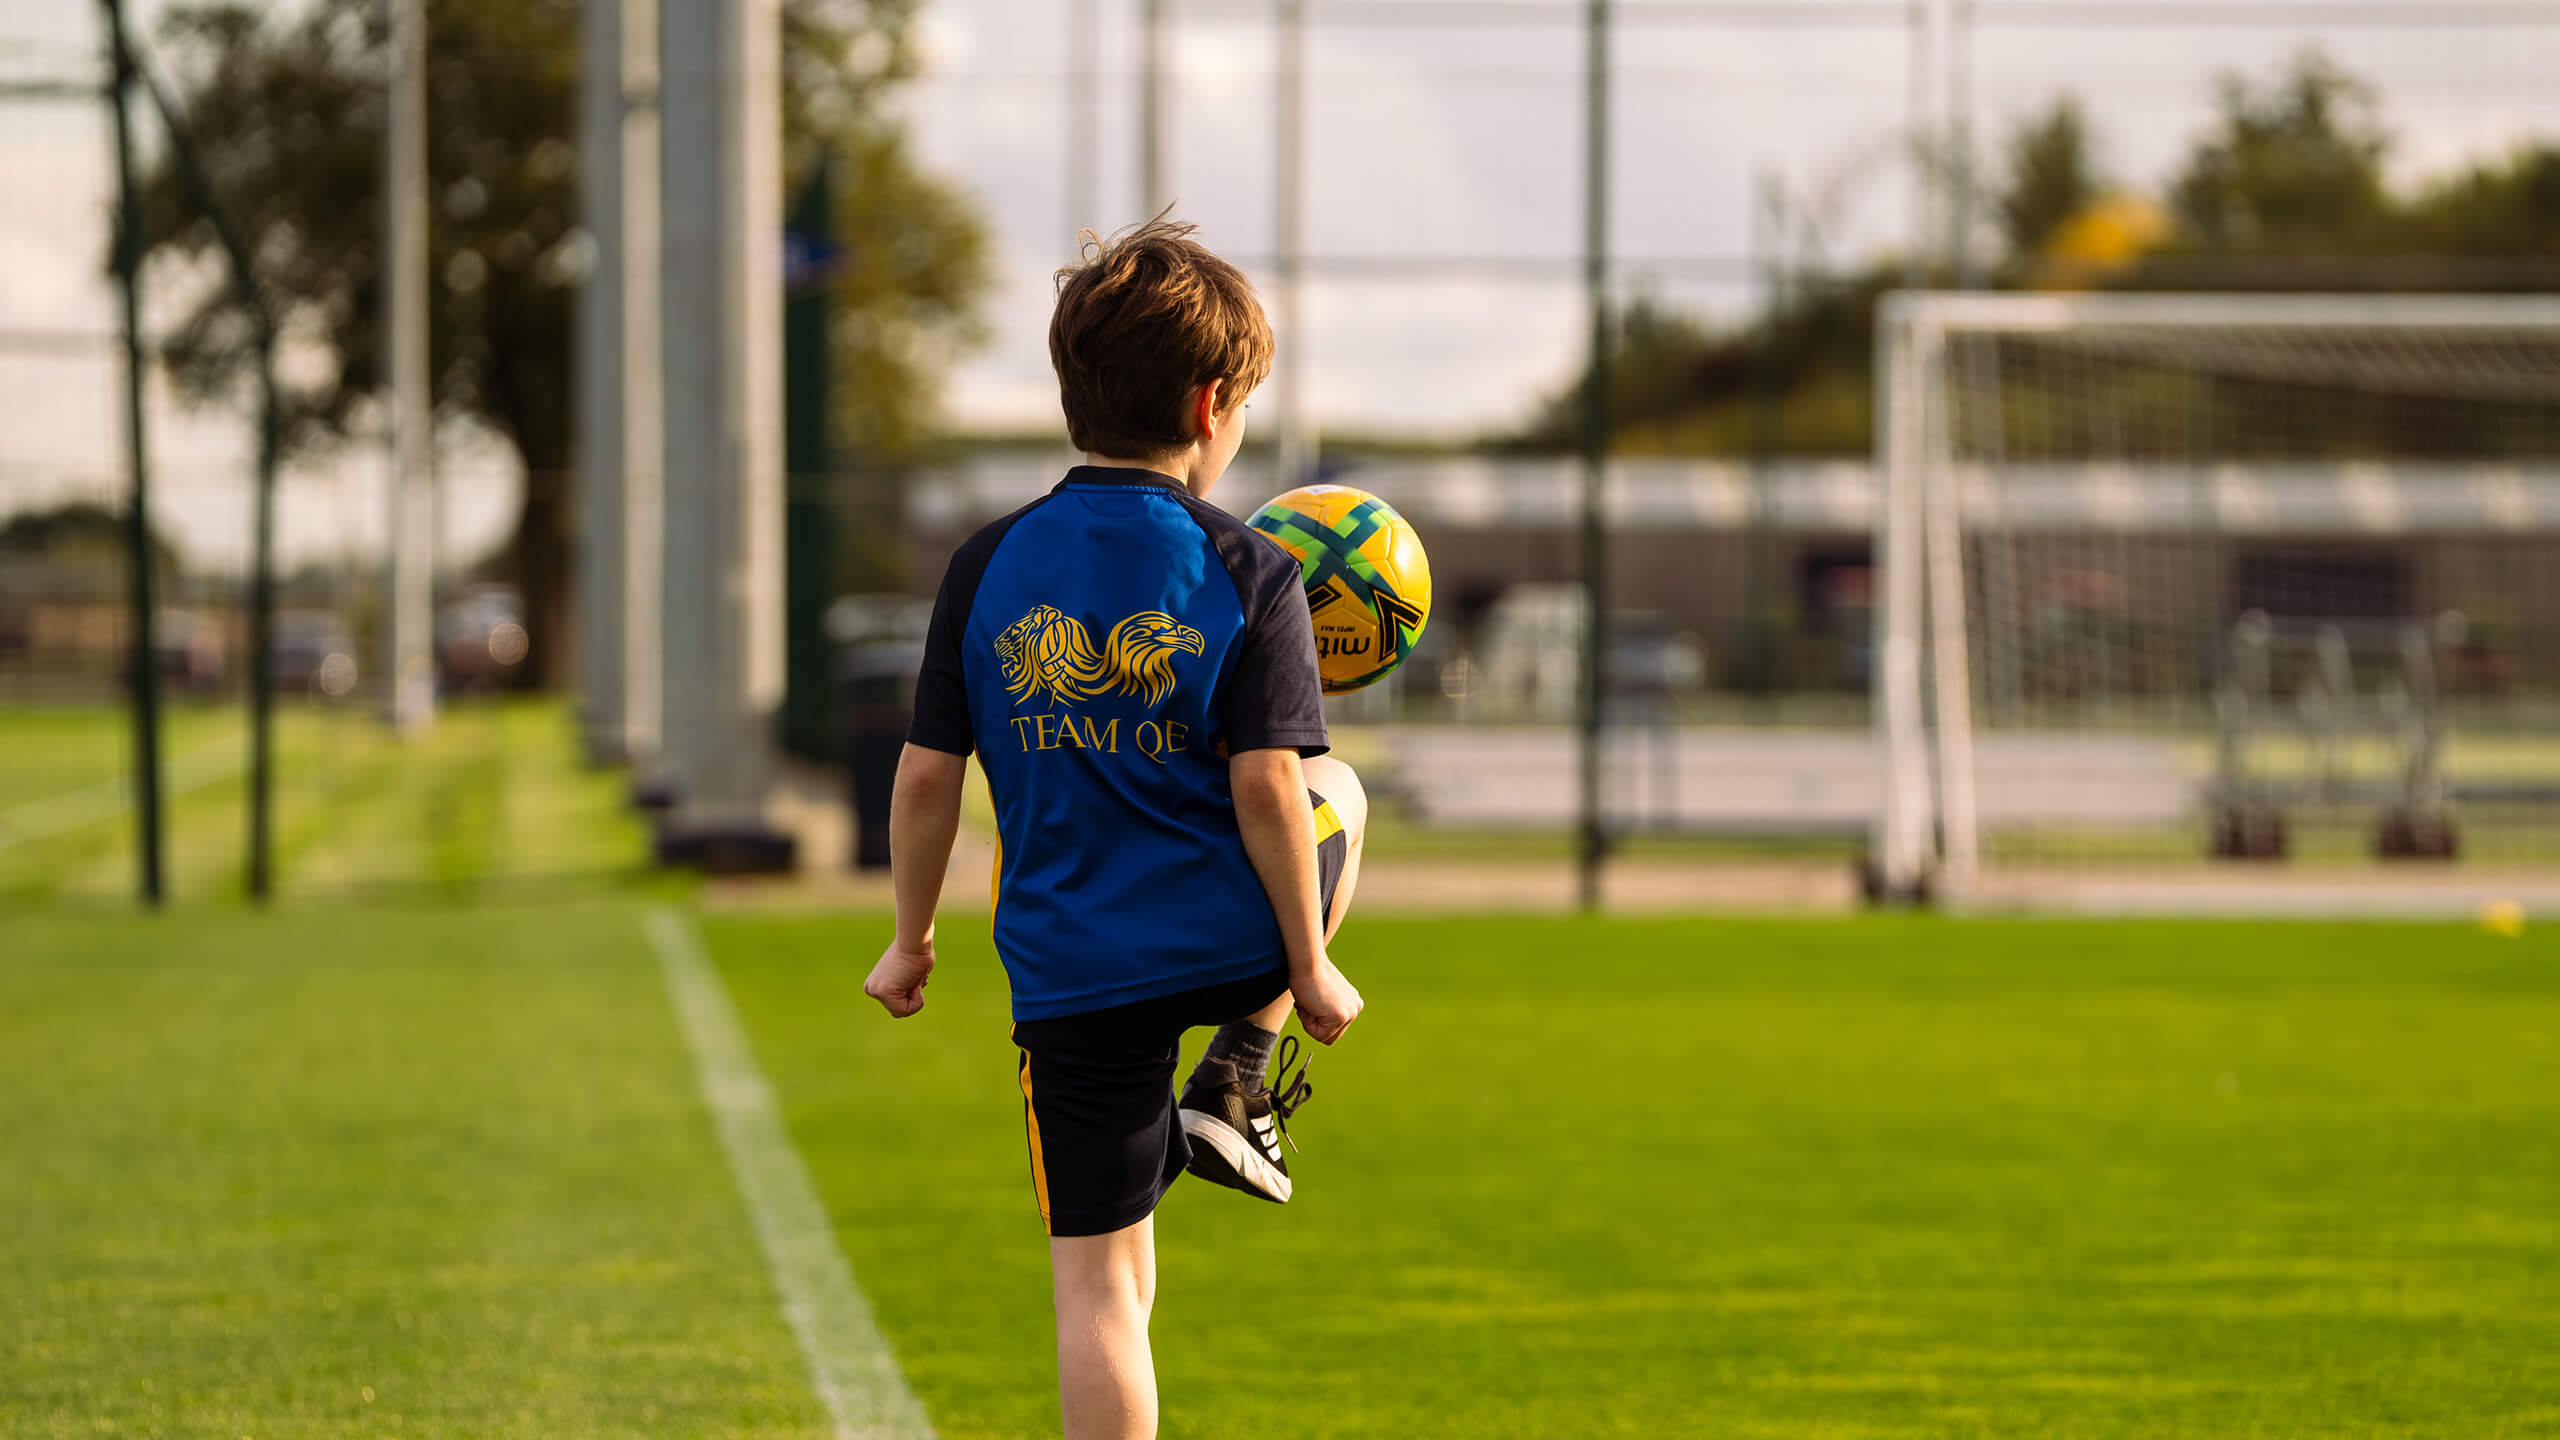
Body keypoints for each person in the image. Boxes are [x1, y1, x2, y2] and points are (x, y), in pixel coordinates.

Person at [861, 215, 1368, 1440]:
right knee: (1337, 790)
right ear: (1210, 407)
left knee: (1099, 1289)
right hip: (1224, 944)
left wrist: (909, 938)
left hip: (1071, 974)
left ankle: (1220, 1095)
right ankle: (1234, 1076)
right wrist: (1305, 967)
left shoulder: (986, 565)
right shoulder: (1250, 568)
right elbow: (1267, 792)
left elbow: (929, 779)